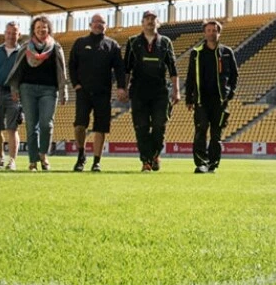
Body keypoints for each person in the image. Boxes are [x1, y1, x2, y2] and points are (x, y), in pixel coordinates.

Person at [5, 15, 69, 172]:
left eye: (44, 27)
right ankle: (33, 161)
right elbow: (17, 70)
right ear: (33, 29)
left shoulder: (55, 47)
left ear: (49, 29)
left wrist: (63, 91)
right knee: (31, 126)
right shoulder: (25, 47)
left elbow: (61, 71)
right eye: (38, 27)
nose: (41, 30)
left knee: (47, 124)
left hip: (49, 90)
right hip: (28, 89)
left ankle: (43, 154)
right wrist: (14, 89)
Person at [121, 10, 180, 172]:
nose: (150, 21)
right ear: (142, 22)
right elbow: (126, 69)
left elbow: (173, 69)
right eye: (147, 19)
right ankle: (146, 160)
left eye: (153, 19)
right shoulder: (132, 41)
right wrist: (123, 89)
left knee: (159, 125)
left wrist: (176, 90)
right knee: (141, 127)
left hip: (160, 92)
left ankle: (155, 154)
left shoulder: (166, 42)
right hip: (139, 91)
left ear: (157, 22)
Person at [67, 13, 126, 172]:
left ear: (106, 26)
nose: (99, 25)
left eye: (102, 23)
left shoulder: (112, 45)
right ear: (90, 24)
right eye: (96, 22)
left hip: (103, 93)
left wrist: (121, 86)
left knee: (100, 127)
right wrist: (76, 85)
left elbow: (120, 68)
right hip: (83, 92)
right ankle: (81, 155)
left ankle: (97, 161)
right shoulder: (80, 43)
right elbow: (71, 65)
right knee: (79, 125)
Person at [184, 20, 239, 174]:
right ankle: (201, 163)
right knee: (200, 131)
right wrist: (189, 98)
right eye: (208, 30)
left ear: (218, 33)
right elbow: (190, 77)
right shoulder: (196, 53)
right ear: (204, 33)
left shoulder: (227, 52)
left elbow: (234, 75)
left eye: (214, 30)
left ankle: (213, 164)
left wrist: (230, 94)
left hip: (220, 101)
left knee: (216, 134)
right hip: (201, 100)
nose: (211, 33)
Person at [0, 22, 24, 170]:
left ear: (19, 35)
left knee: (12, 128)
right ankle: (0, 156)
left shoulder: (23, 53)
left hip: (14, 93)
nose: (11, 35)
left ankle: (12, 160)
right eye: (8, 32)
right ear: (5, 34)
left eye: (14, 33)